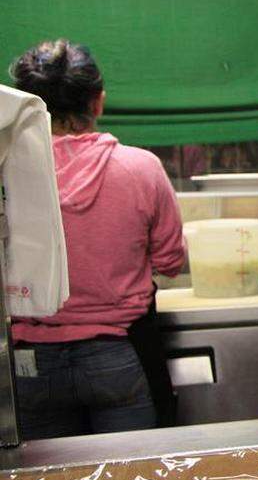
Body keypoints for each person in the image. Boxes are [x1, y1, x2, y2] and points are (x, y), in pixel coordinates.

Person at [10, 39, 185, 439]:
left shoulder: (7, 174)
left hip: (29, 363)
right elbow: (172, 261)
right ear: (98, 102)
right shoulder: (141, 169)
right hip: (120, 355)